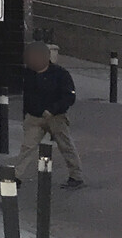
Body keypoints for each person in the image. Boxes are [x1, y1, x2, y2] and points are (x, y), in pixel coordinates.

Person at [21, 42, 84, 187]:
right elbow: (28, 96)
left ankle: (76, 176)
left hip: (56, 117)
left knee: (65, 146)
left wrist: (53, 109)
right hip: (35, 117)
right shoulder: (29, 73)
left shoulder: (60, 74)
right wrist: (26, 115)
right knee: (27, 147)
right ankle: (15, 175)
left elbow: (69, 97)